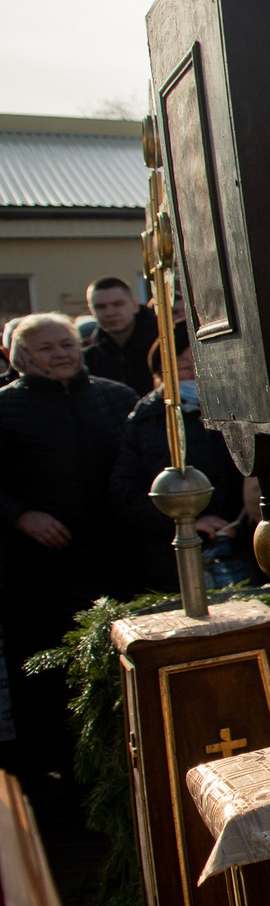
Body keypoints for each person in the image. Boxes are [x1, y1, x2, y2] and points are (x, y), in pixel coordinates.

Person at [0, 314, 138, 805]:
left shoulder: (118, 398)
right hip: (40, 570)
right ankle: (64, 780)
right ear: (21, 358)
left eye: (67, 343)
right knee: (51, 681)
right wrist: (21, 516)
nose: (61, 353)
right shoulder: (5, 407)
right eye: (46, 348)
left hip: (114, 562)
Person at [112, 339, 257, 592]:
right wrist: (186, 520)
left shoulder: (240, 408)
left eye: (198, 367)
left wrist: (253, 503)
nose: (193, 376)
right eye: (183, 369)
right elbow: (125, 492)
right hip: (174, 557)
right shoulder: (146, 420)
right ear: (162, 374)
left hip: (244, 543)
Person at [80, 275, 163, 393]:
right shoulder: (88, 360)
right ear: (91, 310)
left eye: (118, 304)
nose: (110, 312)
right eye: (100, 307)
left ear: (135, 305)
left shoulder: (165, 347)